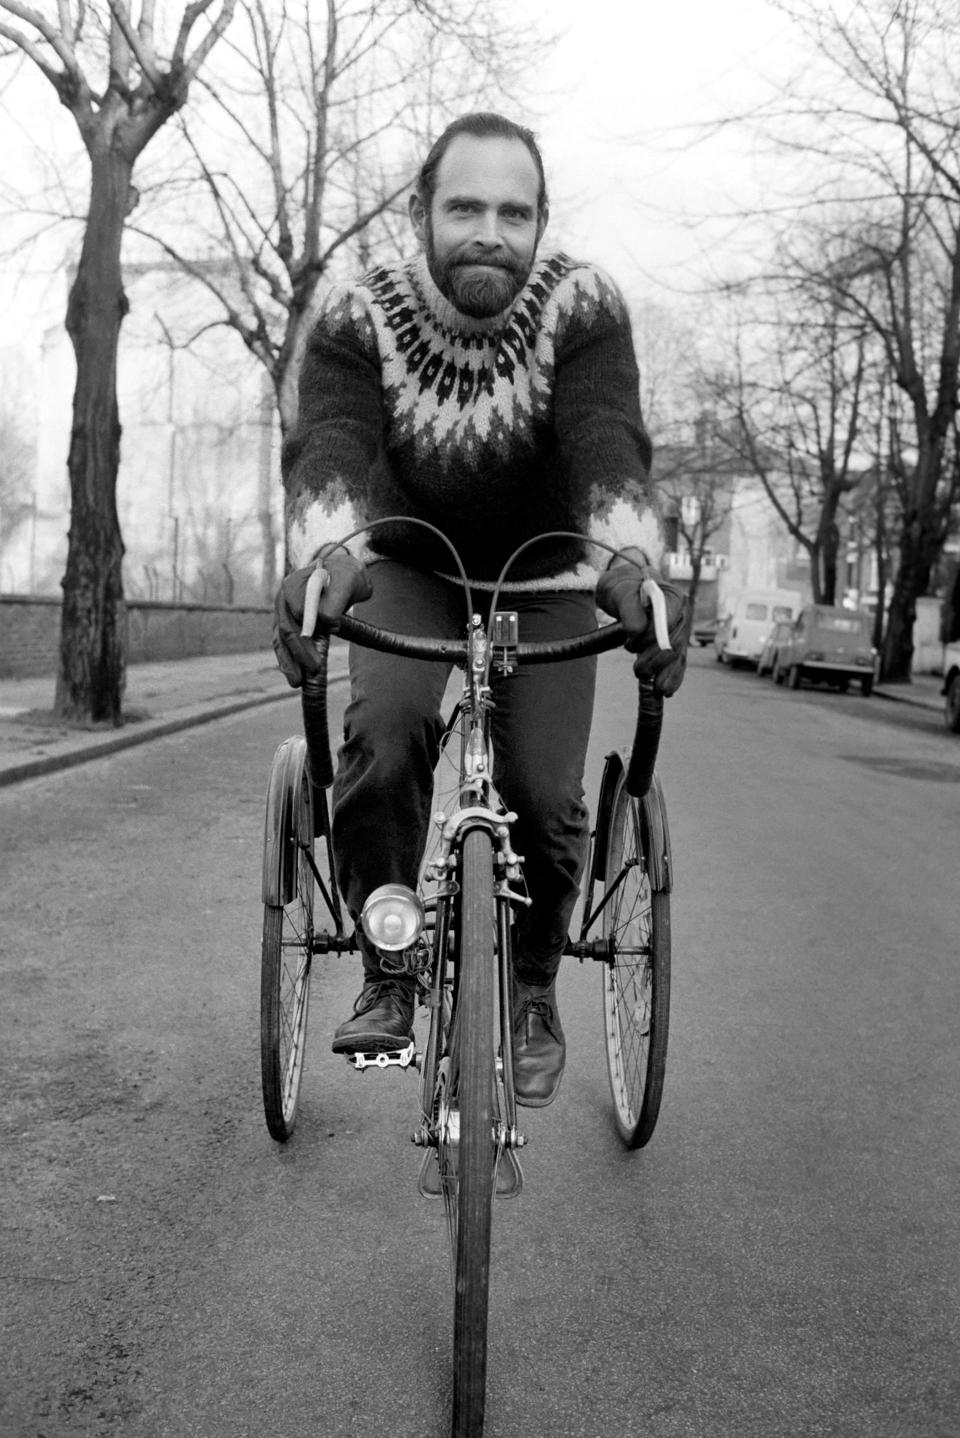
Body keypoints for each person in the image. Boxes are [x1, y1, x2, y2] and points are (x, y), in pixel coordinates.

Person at [274, 112, 687, 1108]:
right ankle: (388, 968)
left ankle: (535, 985)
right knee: (384, 731)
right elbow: (331, 433)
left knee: (546, 799)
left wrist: (631, 566)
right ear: (423, 211)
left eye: (515, 210)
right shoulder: (358, 305)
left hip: (547, 578)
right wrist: (324, 558)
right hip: (409, 564)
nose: (490, 230)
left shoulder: (582, 304)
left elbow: (605, 439)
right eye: (465, 207)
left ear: (543, 220)